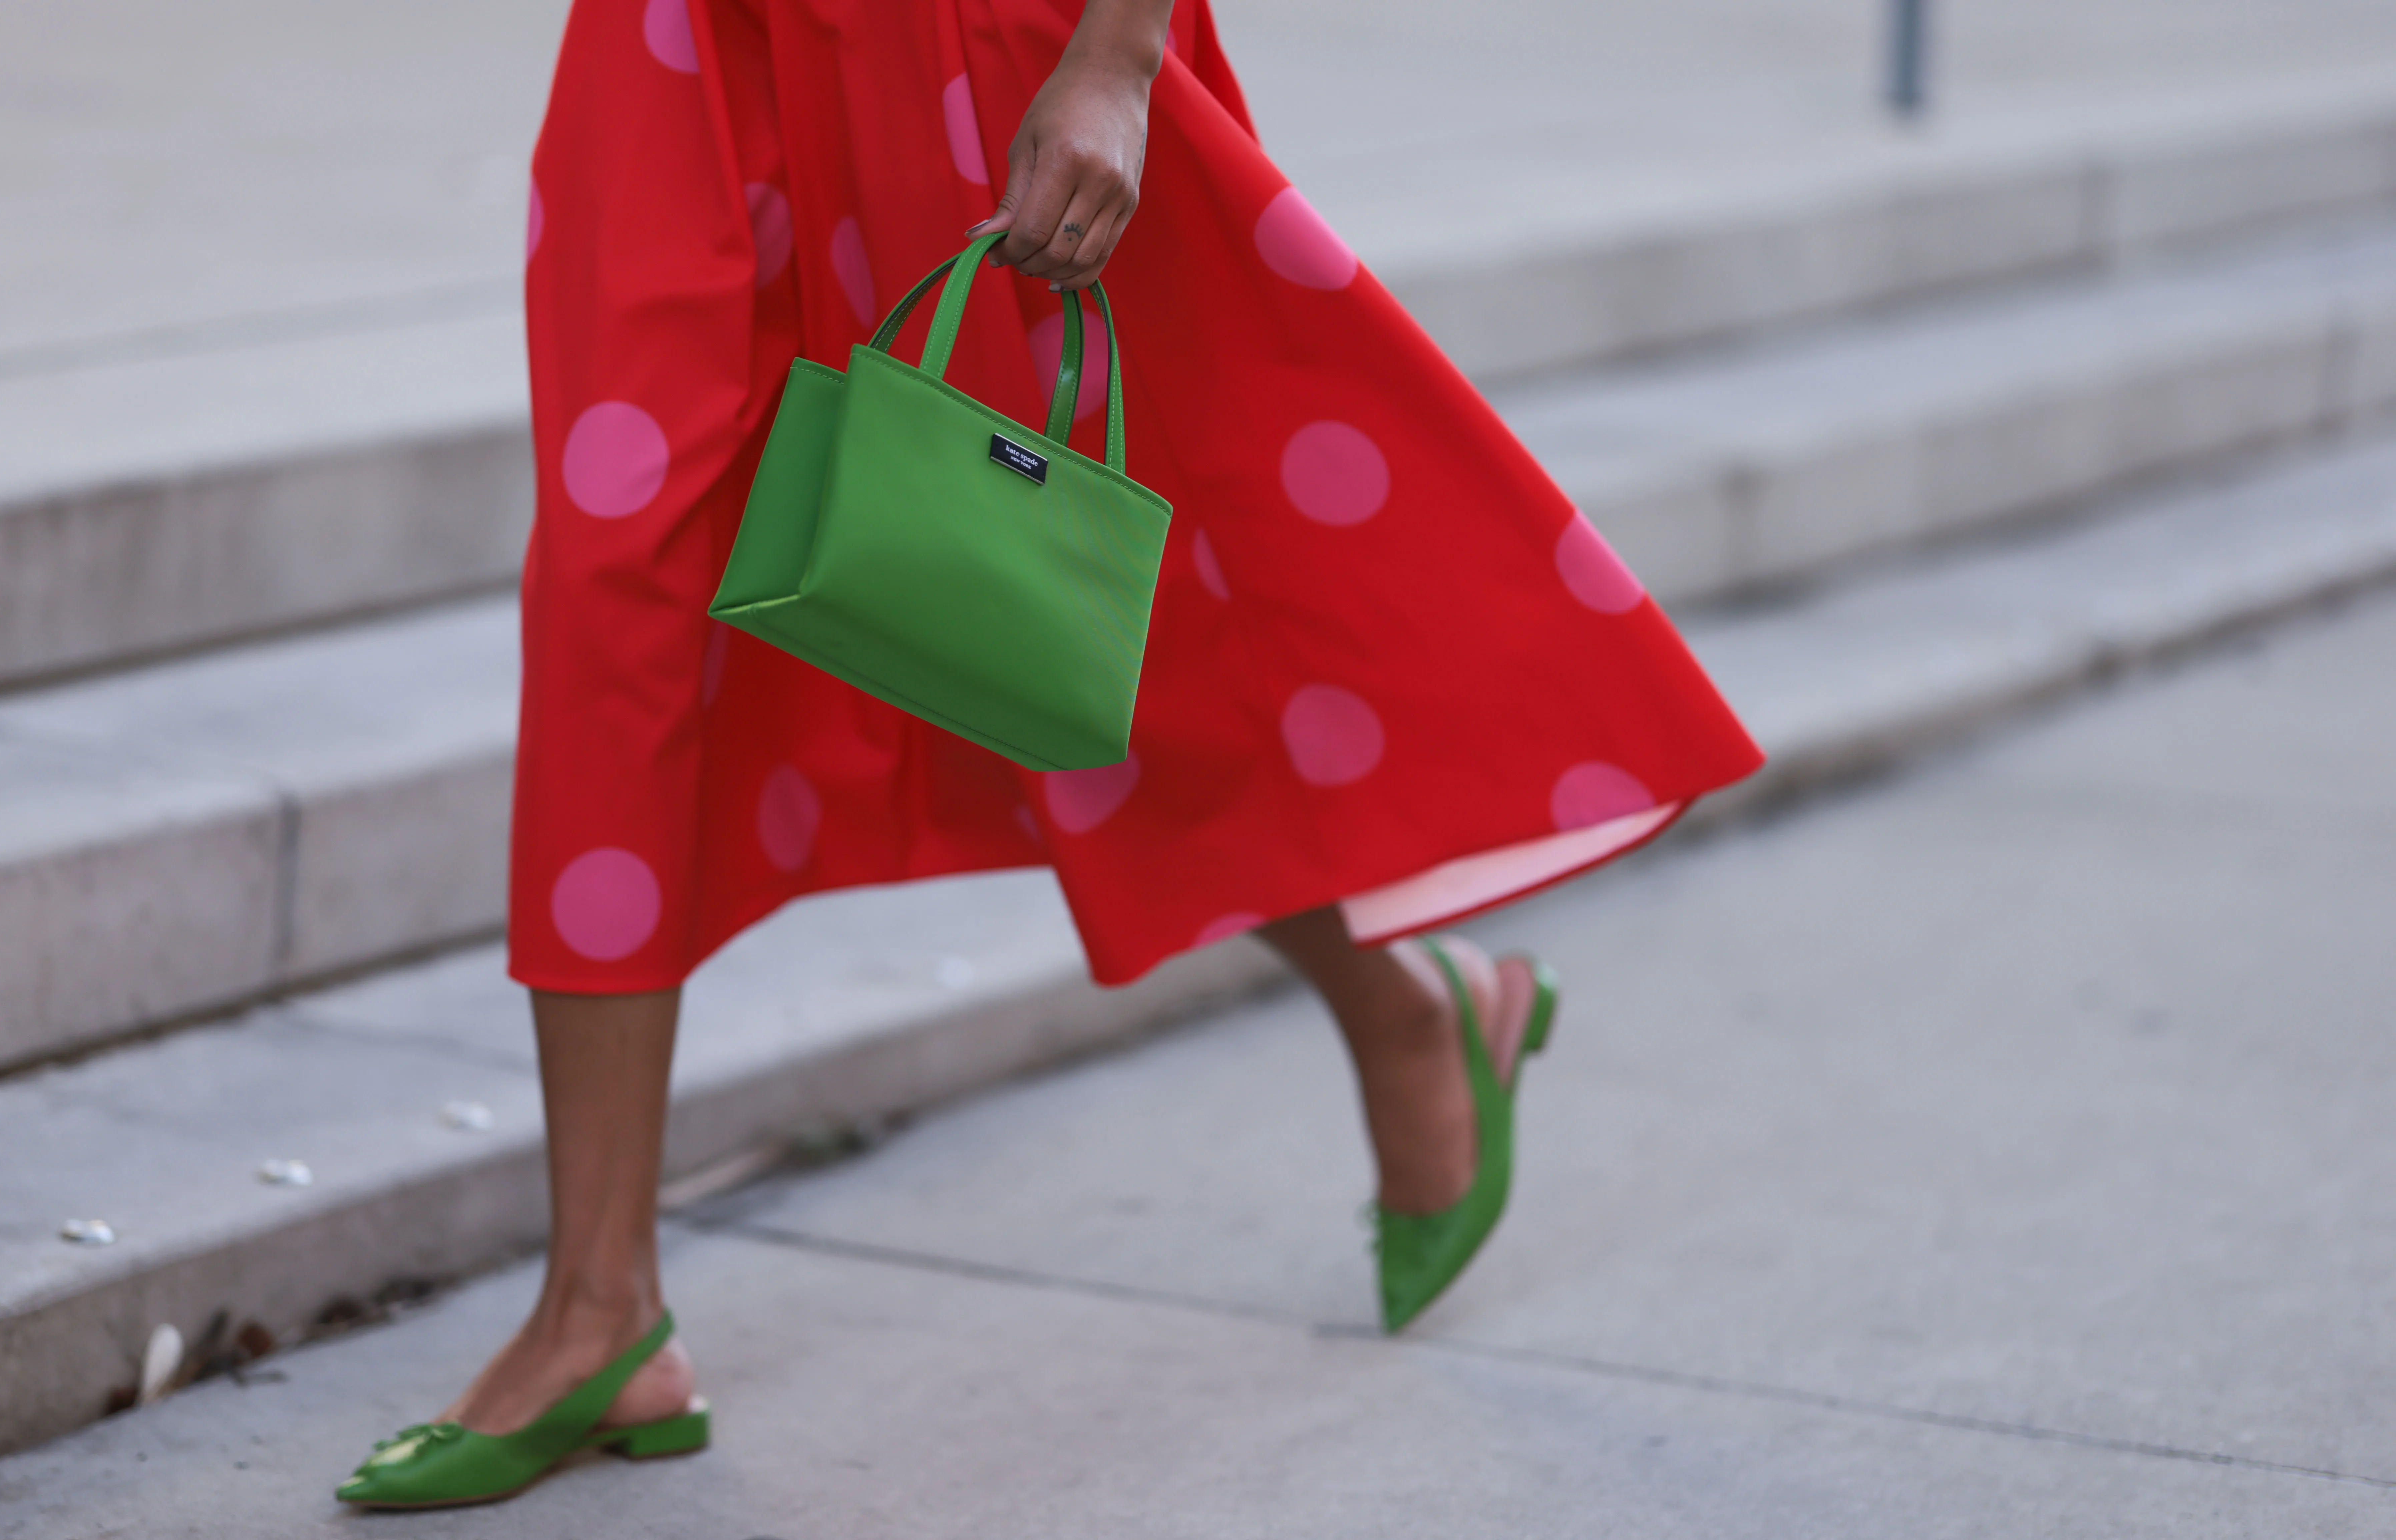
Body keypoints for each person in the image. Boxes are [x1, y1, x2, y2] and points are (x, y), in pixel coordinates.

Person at [334, 0, 1762, 1509]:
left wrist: (1117, 56)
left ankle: (1402, 1000)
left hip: (989, 41)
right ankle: (601, 1306)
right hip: (677, 47)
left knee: (1058, 590)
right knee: (612, 591)